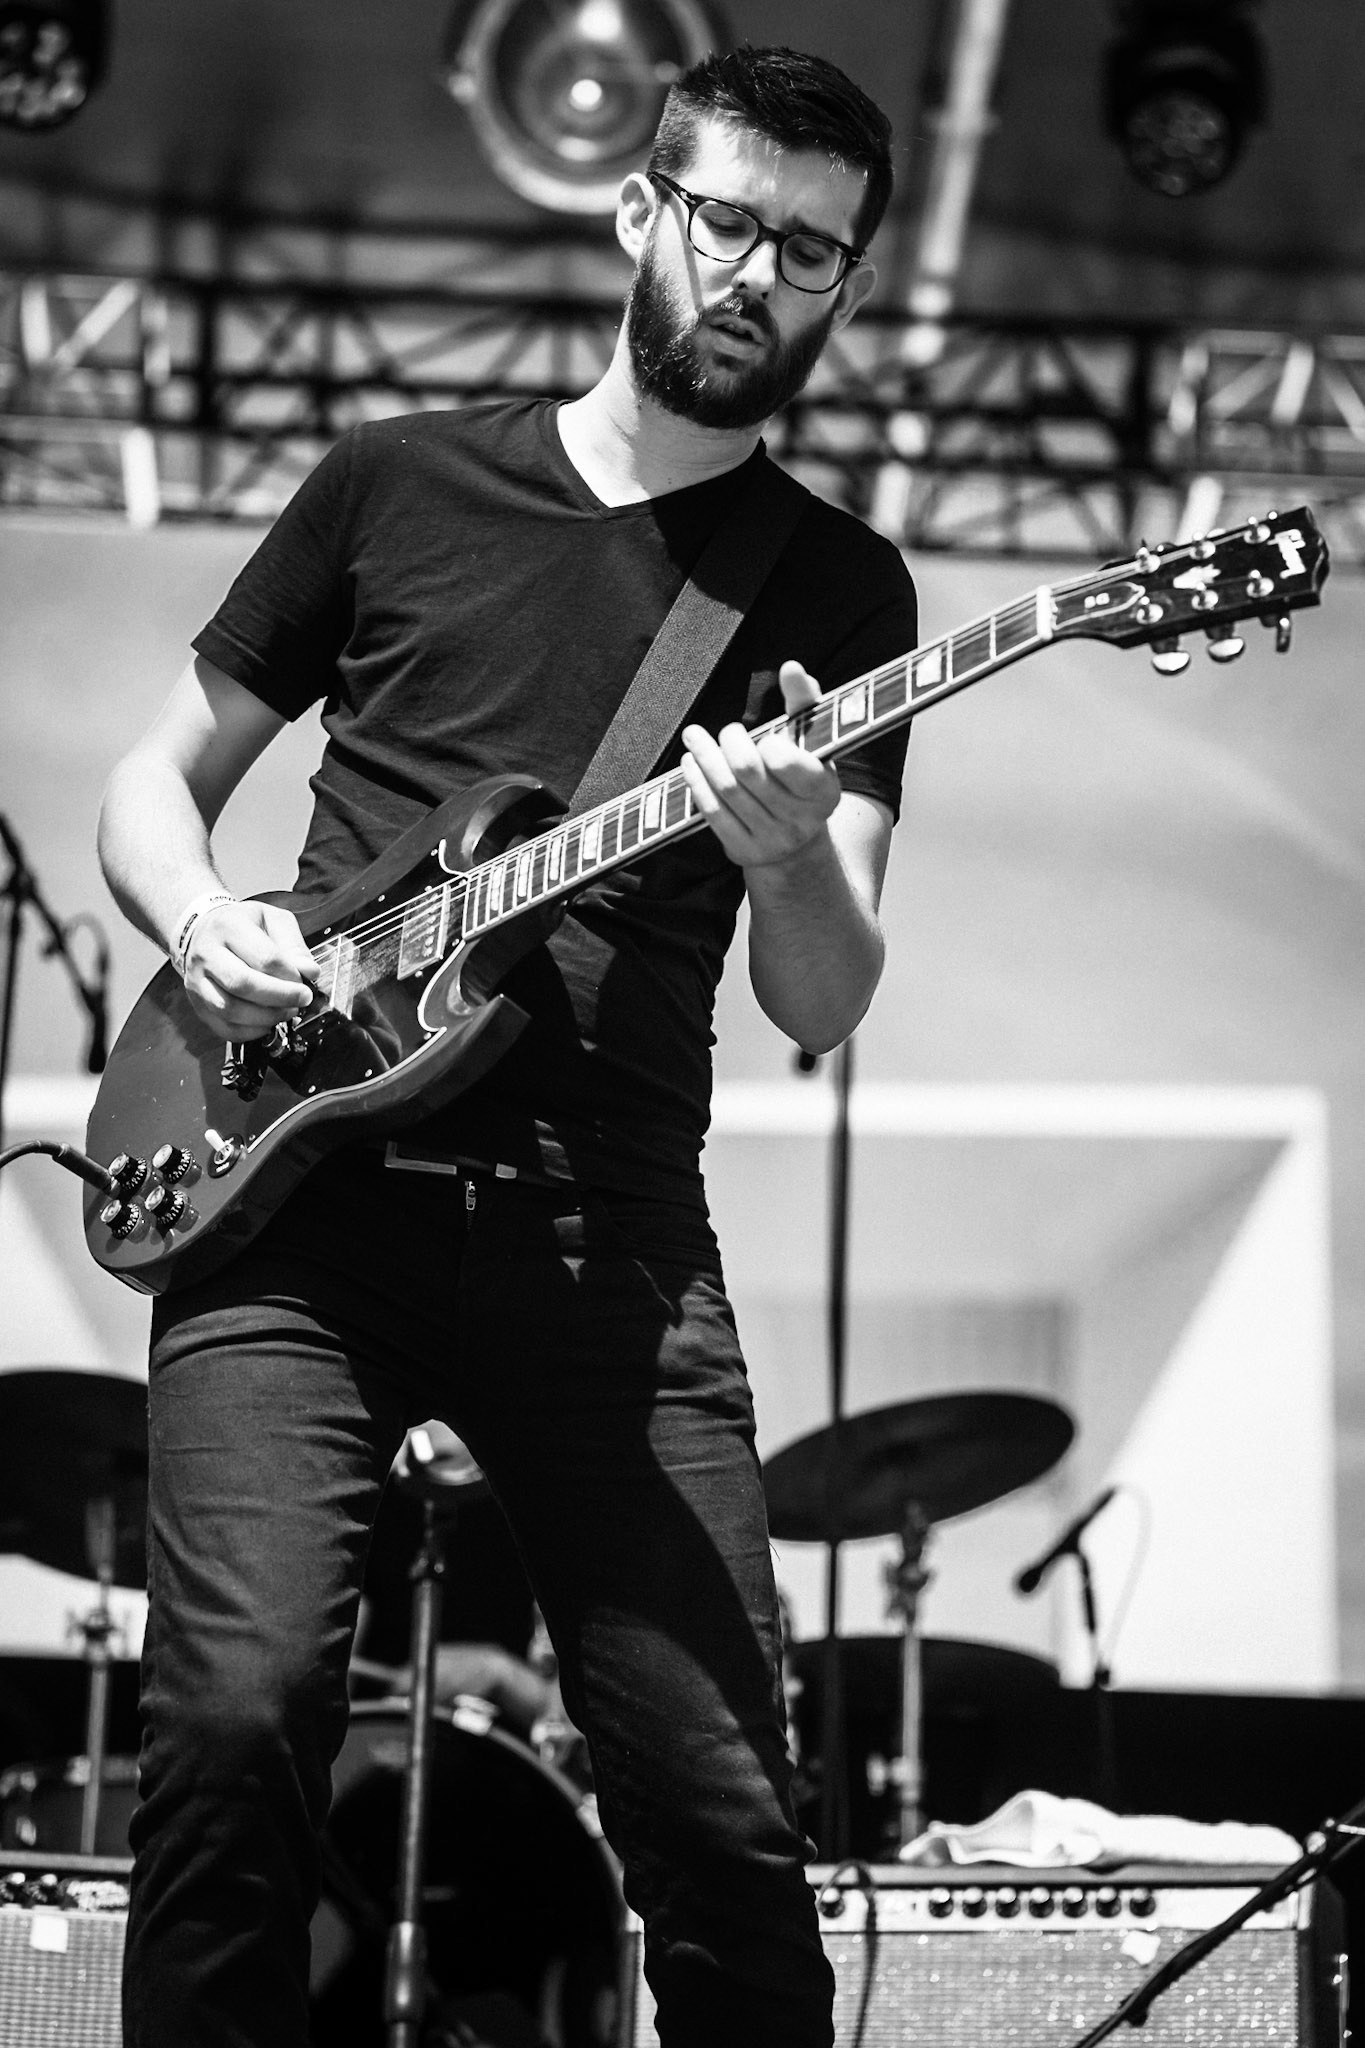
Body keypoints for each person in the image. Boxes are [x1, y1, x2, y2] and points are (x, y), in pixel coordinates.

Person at [98, 43, 917, 2048]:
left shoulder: (837, 591)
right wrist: (204, 923)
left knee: (723, 1815)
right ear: (640, 212)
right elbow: (153, 778)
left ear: (842, 288)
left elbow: (822, 997)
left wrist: (791, 854)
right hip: (302, 1202)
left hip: (603, 1241)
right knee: (227, 1719)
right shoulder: (392, 479)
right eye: (727, 220)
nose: (755, 274)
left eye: (807, 253)